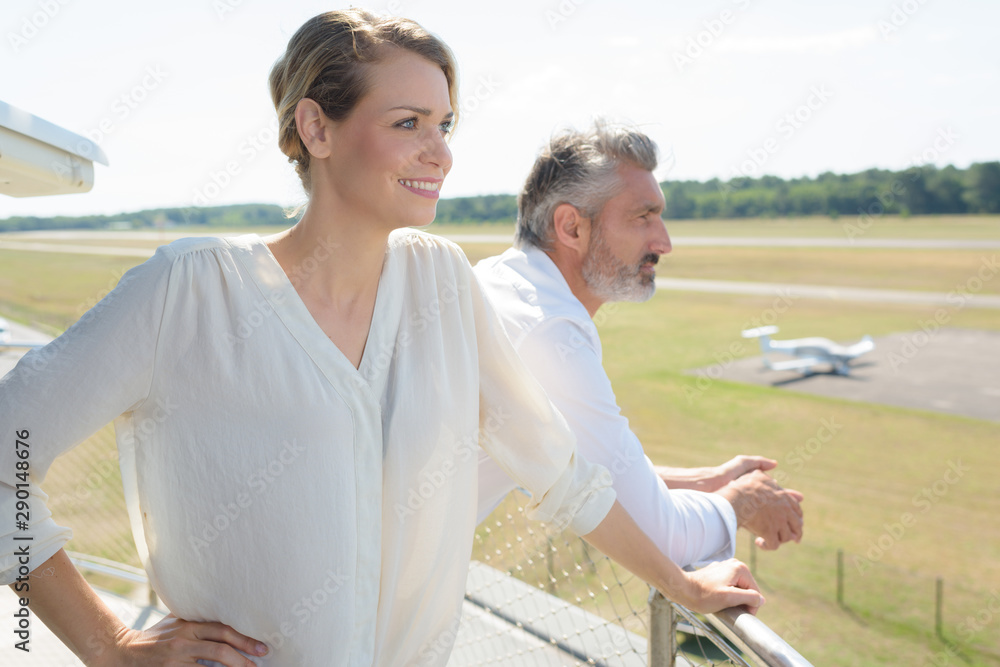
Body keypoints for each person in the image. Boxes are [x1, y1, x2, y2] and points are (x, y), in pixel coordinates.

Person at [0, 12, 764, 667]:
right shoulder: (189, 292)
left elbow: (564, 476)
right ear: (315, 127)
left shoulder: (443, 284)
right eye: (407, 124)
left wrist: (683, 585)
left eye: (444, 125)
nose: (440, 153)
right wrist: (109, 646)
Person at [474, 121, 805, 568]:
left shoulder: (501, 281)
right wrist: (741, 502)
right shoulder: (549, 331)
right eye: (642, 216)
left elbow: (562, 469)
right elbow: (663, 538)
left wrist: (707, 480)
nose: (664, 243)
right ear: (572, 227)